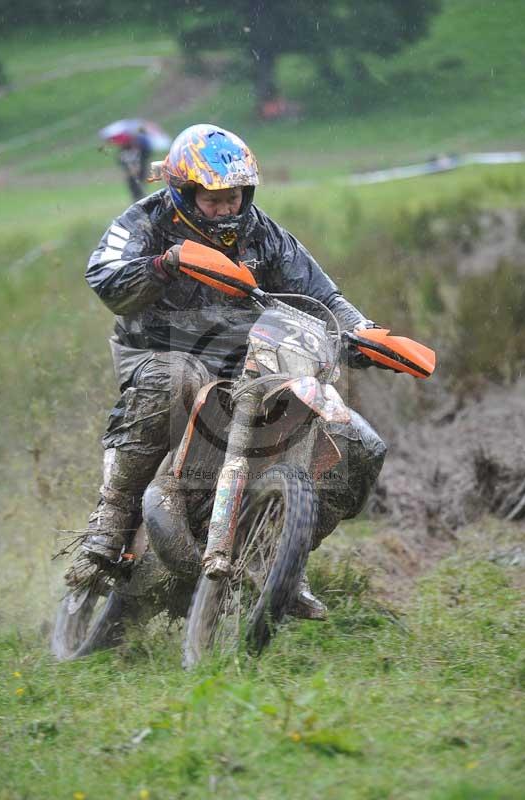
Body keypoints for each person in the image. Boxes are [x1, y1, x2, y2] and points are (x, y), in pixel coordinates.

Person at [66, 123, 387, 618]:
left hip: (249, 357)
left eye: (233, 196)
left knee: (359, 445)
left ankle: (280, 562)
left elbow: (324, 297)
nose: (224, 208)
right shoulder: (144, 221)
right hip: (156, 349)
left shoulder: (265, 233)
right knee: (177, 378)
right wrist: (165, 263)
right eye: (211, 198)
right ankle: (111, 517)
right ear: (182, 191)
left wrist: (363, 332)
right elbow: (106, 281)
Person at [117, 128, 152, 201]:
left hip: (140, 170)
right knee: (133, 188)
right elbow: (120, 160)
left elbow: (144, 156)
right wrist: (128, 167)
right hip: (130, 172)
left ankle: (142, 200)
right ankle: (137, 201)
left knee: (140, 187)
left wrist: (137, 166)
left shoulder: (139, 146)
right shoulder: (123, 149)